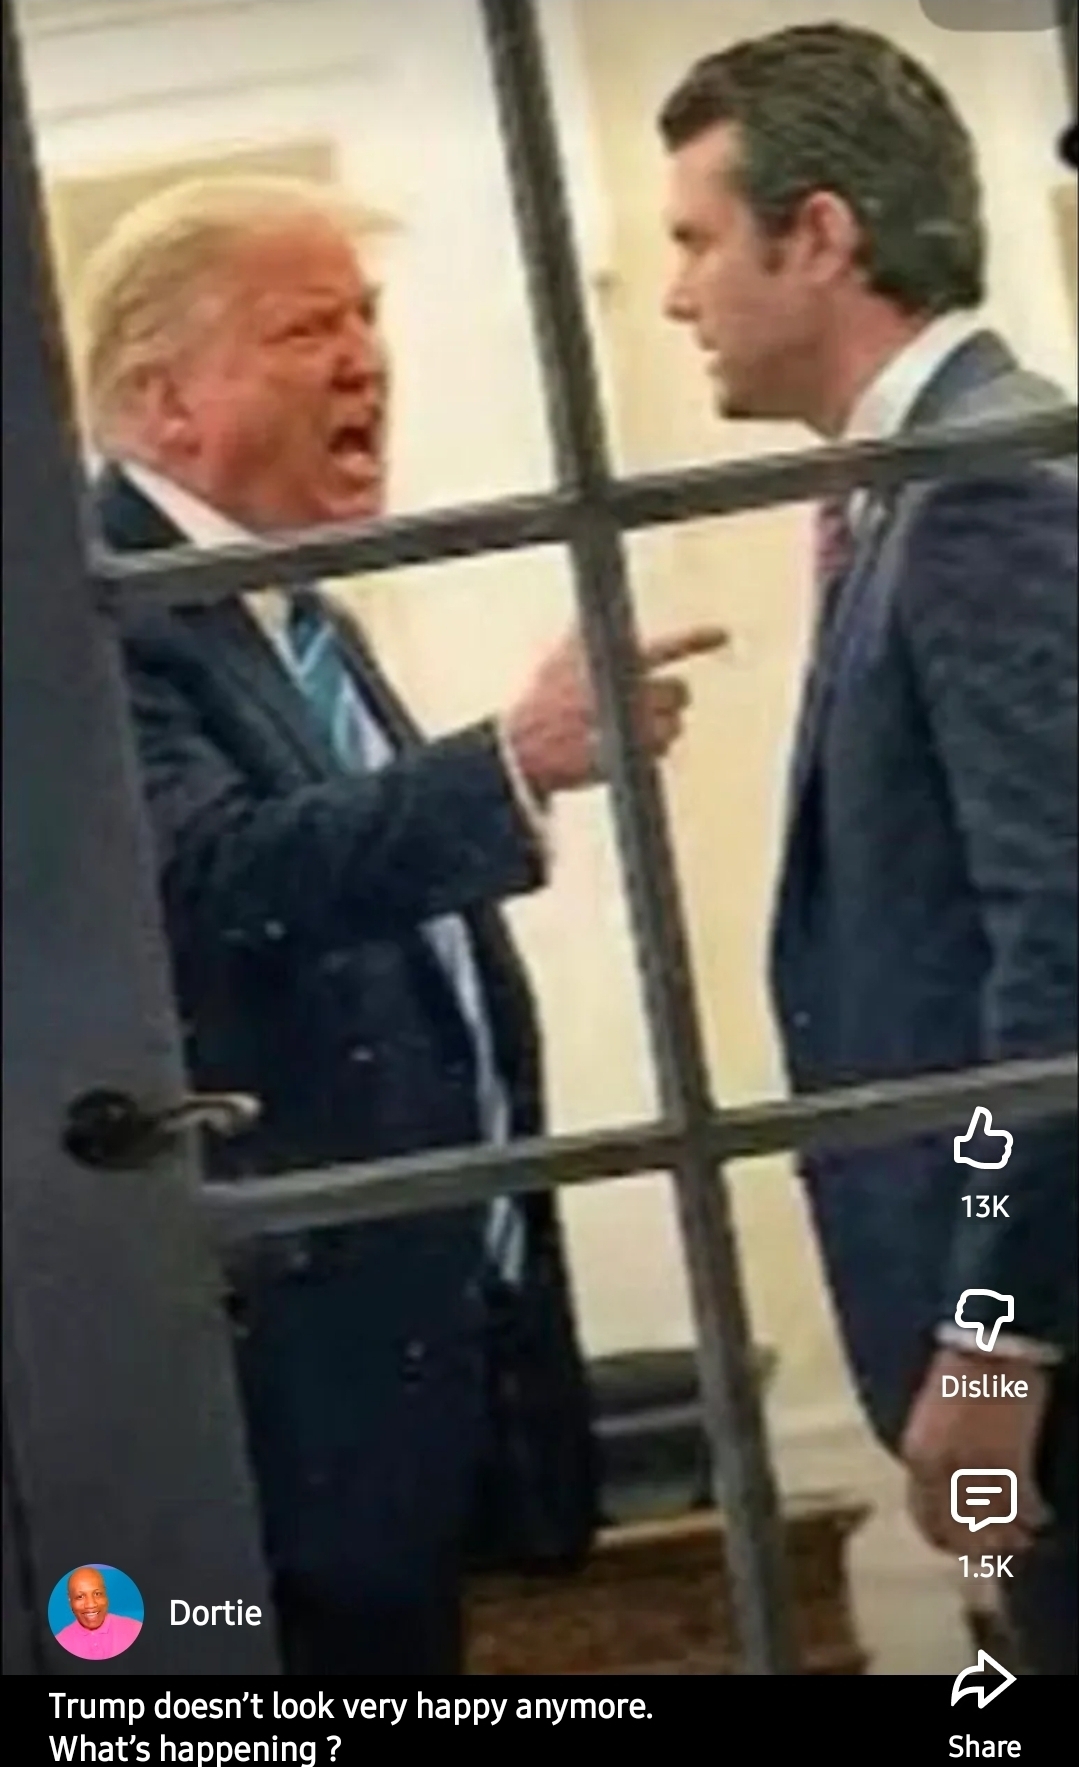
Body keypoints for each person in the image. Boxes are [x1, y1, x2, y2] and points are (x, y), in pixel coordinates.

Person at [77, 175, 724, 1675]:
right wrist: (510, 763)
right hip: (269, 1397)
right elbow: (212, 878)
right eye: (307, 328)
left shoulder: (293, 614)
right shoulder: (103, 615)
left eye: (366, 317)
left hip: (407, 1367)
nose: (365, 358)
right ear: (166, 403)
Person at [658, 24, 1077, 1674]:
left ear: (817, 235)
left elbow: (1060, 940)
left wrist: (992, 1341)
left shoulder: (979, 487)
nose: (676, 294)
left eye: (695, 239)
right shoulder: (911, 485)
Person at [54, 1568, 142, 1661]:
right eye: (80, 1596)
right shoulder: (60, 1643)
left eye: (97, 1594)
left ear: (106, 1595)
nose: (91, 1604)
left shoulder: (135, 1630)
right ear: (70, 1600)